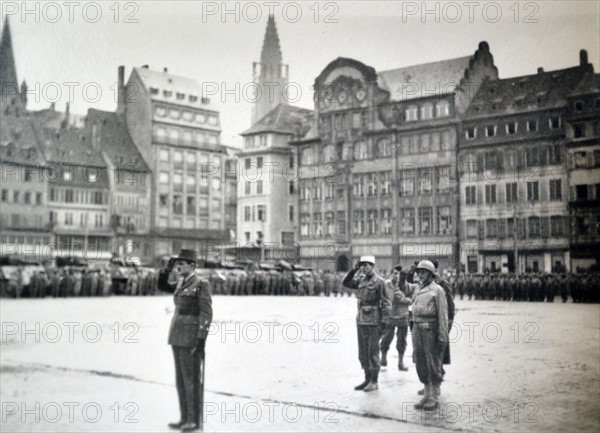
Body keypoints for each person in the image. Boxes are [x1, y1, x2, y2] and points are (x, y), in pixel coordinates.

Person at [157, 249, 213, 432]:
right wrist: (167, 268)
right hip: (176, 334)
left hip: (191, 337)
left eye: (182, 263)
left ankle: (194, 420)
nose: (178, 266)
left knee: (191, 380)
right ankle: (184, 418)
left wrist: (201, 339)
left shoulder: (201, 283)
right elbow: (162, 286)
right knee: (180, 380)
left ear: (192, 265)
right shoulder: (180, 282)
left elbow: (206, 313)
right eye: (177, 263)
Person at [342, 256, 391, 392]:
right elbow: (345, 283)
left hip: (374, 322)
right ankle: (367, 379)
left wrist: (385, 321)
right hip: (361, 320)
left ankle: (374, 381)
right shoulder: (361, 280)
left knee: (373, 352)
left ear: (373, 266)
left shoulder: (380, 282)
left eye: (367, 265)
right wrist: (354, 270)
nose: (364, 267)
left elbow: (386, 303)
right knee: (362, 352)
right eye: (362, 265)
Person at [411, 260, 448, 411]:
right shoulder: (418, 289)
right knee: (420, 362)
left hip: (430, 330)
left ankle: (433, 396)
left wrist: (442, 336)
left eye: (423, 272)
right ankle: (426, 394)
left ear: (431, 274)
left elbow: (443, 315)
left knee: (432, 362)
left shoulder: (437, 290)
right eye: (418, 272)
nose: (420, 274)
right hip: (417, 329)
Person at [380, 264, 414, 371]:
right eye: (395, 273)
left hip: (403, 316)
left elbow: (412, 299)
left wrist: (404, 299)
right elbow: (383, 298)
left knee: (402, 341)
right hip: (390, 315)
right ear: (391, 274)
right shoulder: (386, 285)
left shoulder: (408, 286)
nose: (397, 276)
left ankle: (400, 362)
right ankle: (383, 358)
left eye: (399, 273)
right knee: (386, 338)